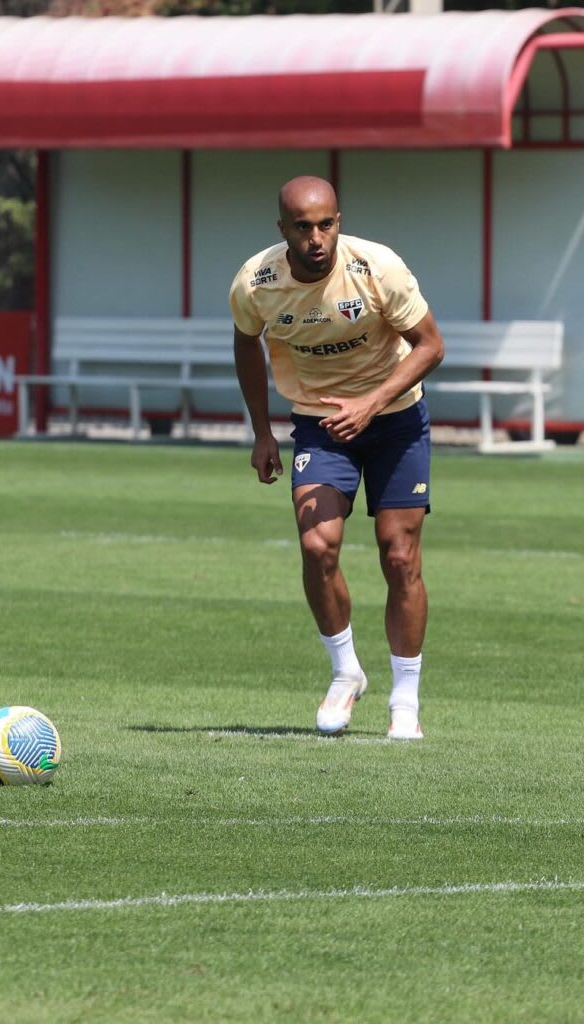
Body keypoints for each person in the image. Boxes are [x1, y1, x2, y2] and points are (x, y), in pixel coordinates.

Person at [230, 175, 444, 740]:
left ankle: (405, 699)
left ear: (338, 221)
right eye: (303, 227)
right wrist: (262, 432)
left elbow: (431, 345)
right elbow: (245, 341)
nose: (317, 237)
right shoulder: (257, 283)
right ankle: (346, 673)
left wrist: (373, 403)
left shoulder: (378, 268)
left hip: (395, 420)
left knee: (400, 558)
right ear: (284, 231)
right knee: (316, 545)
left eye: (326, 224)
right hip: (321, 426)